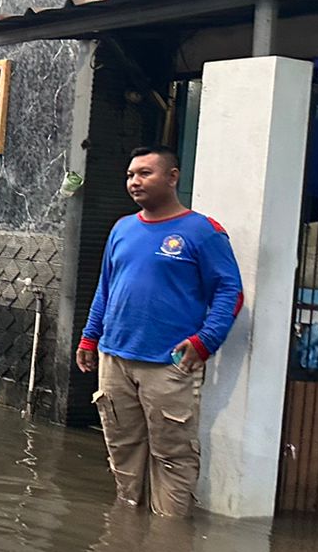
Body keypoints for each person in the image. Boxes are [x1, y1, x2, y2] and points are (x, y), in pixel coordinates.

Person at [76, 145, 244, 517]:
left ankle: (169, 537)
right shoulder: (122, 228)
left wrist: (205, 342)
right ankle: (127, 527)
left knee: (172, 455)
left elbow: (230, 291)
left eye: (144, 173)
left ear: (172, 177)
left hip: (169, 363)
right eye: (130, 175)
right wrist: (90, 336)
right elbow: (106, 288)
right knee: (122, 449)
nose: (134, 182)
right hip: (115, 357)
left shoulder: (203, 231)